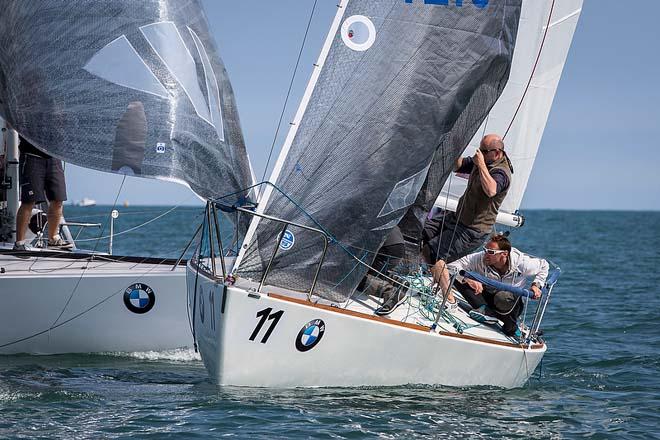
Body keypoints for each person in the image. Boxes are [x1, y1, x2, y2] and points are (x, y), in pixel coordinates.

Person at [422, 133, 513, 307]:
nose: (480, 153)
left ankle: (448, 299)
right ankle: (430, 279)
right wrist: (456, 145)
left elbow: (491, 190)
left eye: (484, 151)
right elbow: (458, 166)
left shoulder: (501, 173)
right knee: (422, 232)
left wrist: (481, 166)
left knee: (435, 253)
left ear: (497, 152)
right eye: (480, 149)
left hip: (473, 230)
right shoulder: (483, 160)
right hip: (457, 218)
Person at [447, 234, 548, 337]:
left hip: (510, 303)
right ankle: (485, 311)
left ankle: (511, 328)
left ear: (504, 254)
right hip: (485, 295)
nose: (485, 254)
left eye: (491, 252)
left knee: (503, 297)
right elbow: (452, 265)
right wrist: (467, 279)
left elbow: (544, 265)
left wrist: (536, 285)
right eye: (485, 250)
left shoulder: (522, 264)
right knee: (457, 277)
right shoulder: (480, 258)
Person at [13, 135, 72, 251]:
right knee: (29, 201)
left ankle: (53, 239)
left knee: (58, 199)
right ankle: (19, 243)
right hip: (31, 156)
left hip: (54, 157)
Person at [357, 226, 408, 316]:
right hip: (397, 246)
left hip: (386, 248)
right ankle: (396, 282)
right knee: (367, 270)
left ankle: (390, 292)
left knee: (352, 276)